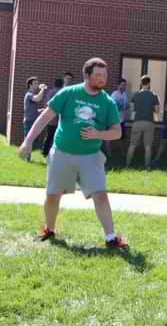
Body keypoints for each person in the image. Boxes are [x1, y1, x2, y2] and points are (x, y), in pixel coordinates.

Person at [17, 57, 128, 250]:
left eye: (104, 75)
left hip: (91, 156)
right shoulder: (68, 93)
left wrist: (98, 134)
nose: (102, 78)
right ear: (87, 75)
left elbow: (117, 132)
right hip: (62, 153)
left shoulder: (107, 102)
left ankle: (111, 238)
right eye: (98, 75)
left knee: (101, 195)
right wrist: (28, 141)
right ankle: (50, 229)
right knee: (53, 195)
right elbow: (45, 117)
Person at [126, 75, 160, 169]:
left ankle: (127, 166)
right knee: (148, 147)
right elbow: (157, 111)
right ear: (149, 83)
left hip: (137, 122)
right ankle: (147, 167)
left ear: (141, 83)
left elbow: (132, 109)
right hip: (149, 122)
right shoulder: (154, 95)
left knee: (132, 145)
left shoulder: (135, 95)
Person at [22, 77, 49, 162]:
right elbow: (38, 99)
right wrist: (43, 89)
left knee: (31, 140)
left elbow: (30, 109)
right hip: (29, 121)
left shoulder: (31, 95)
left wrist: (39, 110)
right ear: (30, 85)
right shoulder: (29, 94)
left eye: (37, 83)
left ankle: (27, 157)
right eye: (35, 83)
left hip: (32, 120)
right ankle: (27, 159)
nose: (37, 85)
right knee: (29, 140)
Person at [41, 78, 66, 159]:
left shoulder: (50, 92)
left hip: (50, 119)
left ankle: (44, 152)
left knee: (49, 136)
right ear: (62, 84)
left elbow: (46, 104)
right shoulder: (63, 92)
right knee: (58, 137)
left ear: (55, 84)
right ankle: (55, 153)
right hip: (59, 120)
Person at [108, 78, 130, 160]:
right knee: (109, 138)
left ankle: (123, 154)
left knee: (122, 138)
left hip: (121, 120)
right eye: (123, 85)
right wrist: (121, 107)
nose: (125, 87)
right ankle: (109, 155)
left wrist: (127, 106)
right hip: (113, 120)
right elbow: (111, 107)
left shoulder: (125, 94)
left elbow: (126, 106)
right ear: (118, 85)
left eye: (125, 85)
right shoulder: (115, 94)